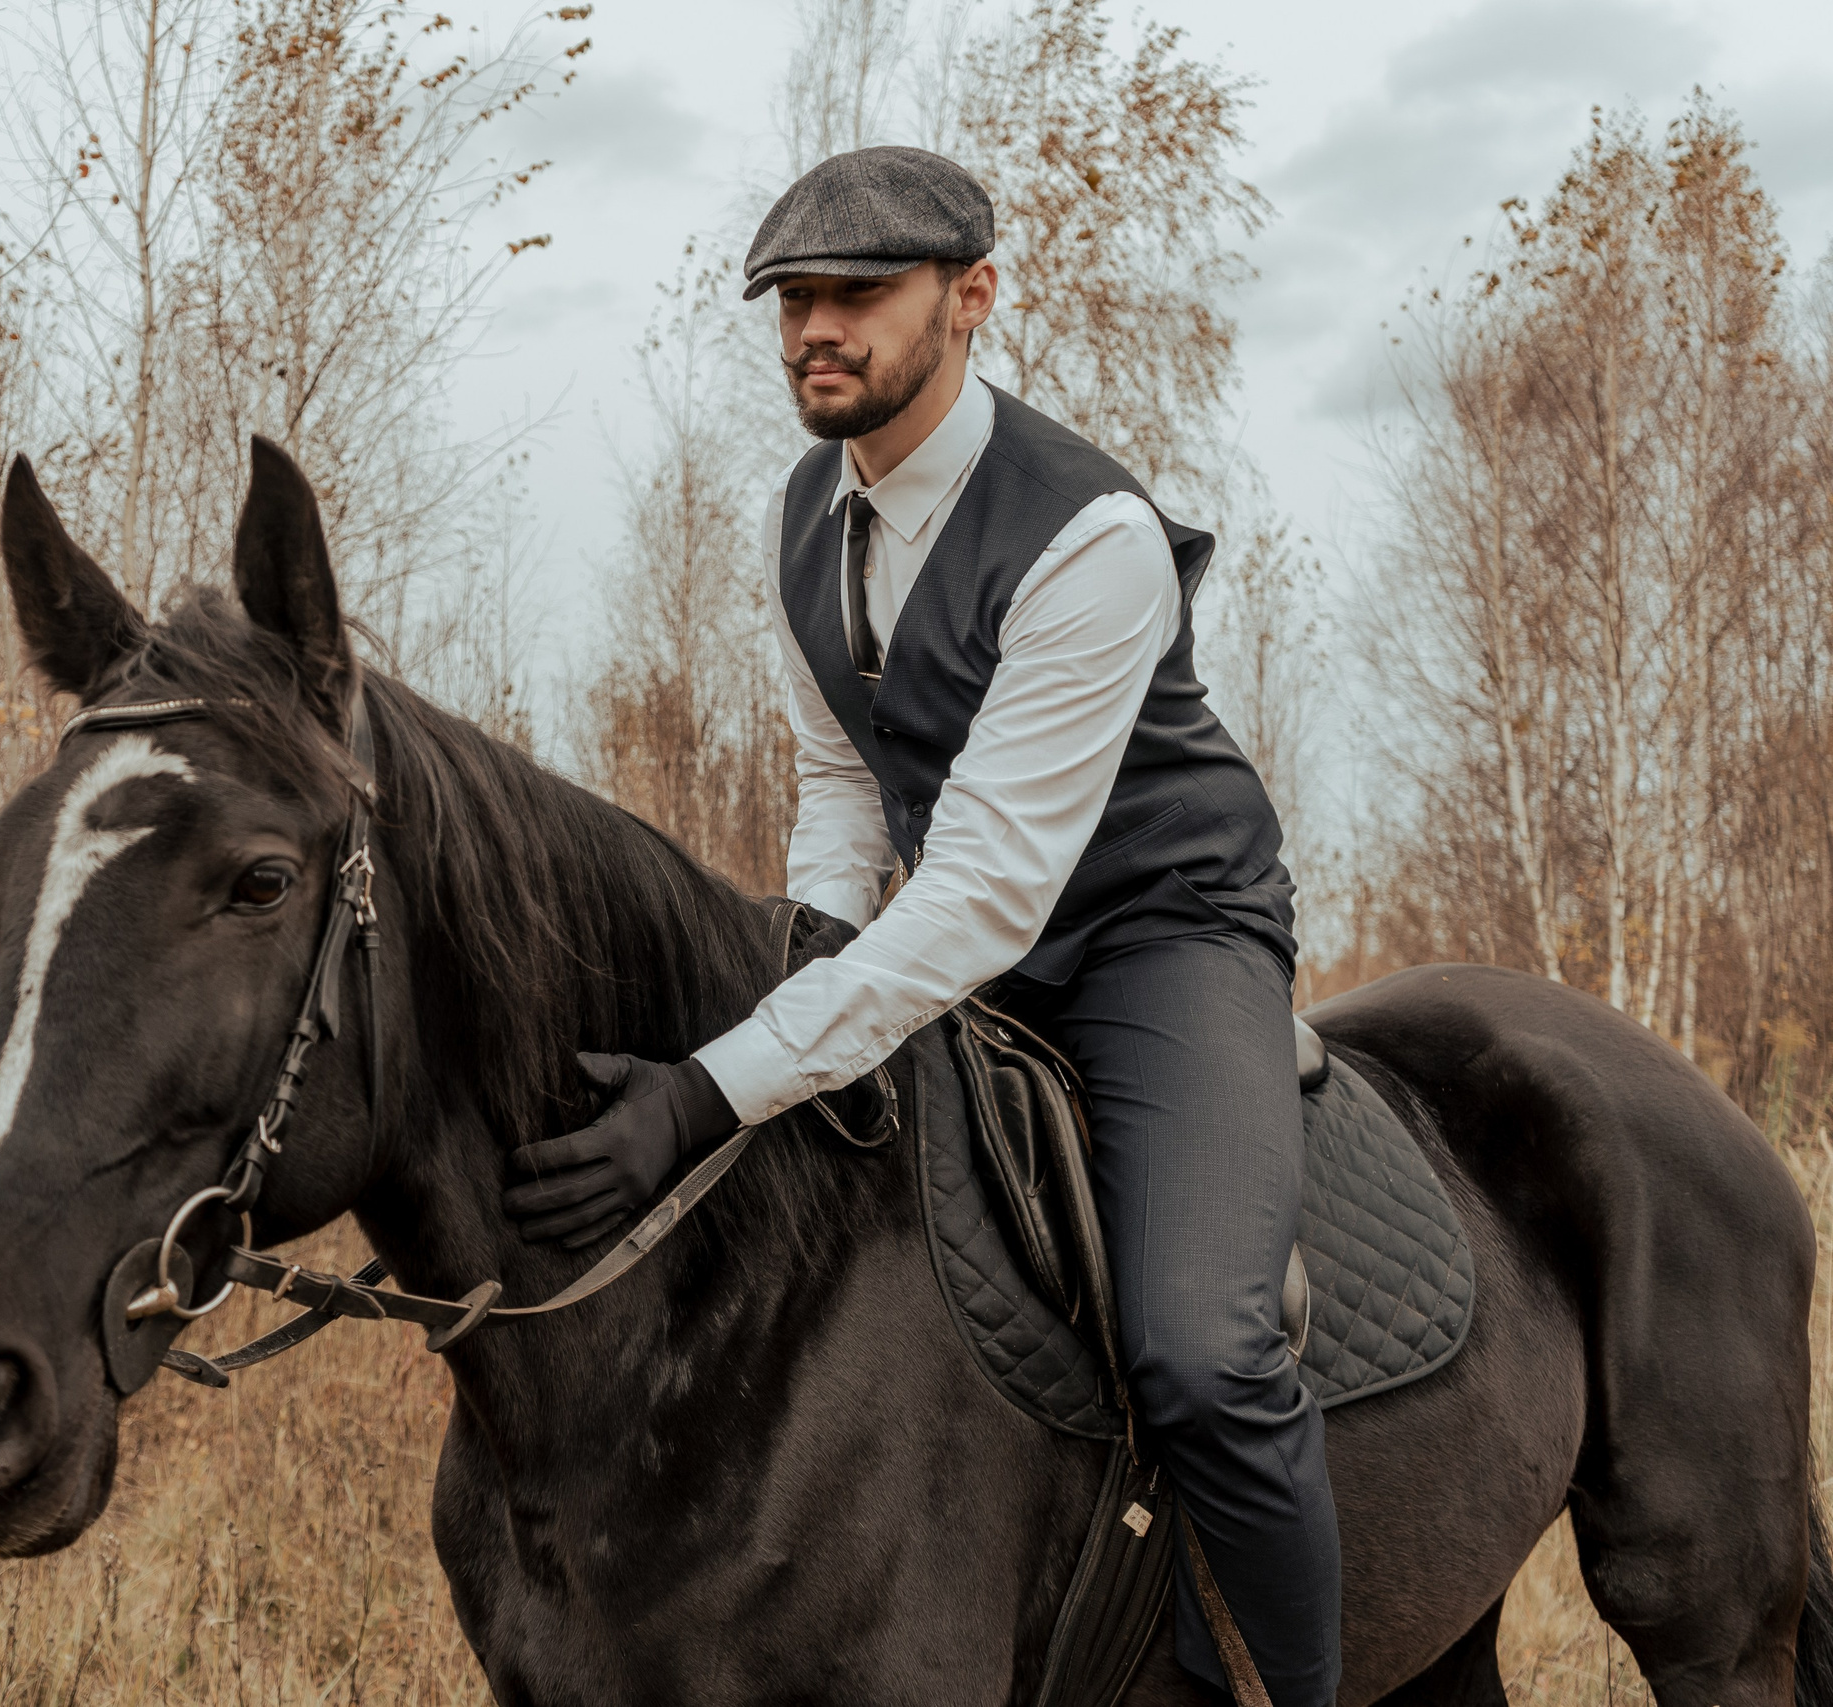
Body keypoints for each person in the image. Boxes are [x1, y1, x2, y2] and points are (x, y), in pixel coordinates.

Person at [500, 146, 1338, 1704]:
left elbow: (981, 896)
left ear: (971, 297)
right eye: (793, 300)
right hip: (963, 936)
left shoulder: (1091, 537)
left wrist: (710, 1085)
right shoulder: (808, 511)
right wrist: (805, 953)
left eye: (857, 296)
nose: (817, 328)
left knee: (1202, 1353)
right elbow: (843, 778)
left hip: (1156, 933)